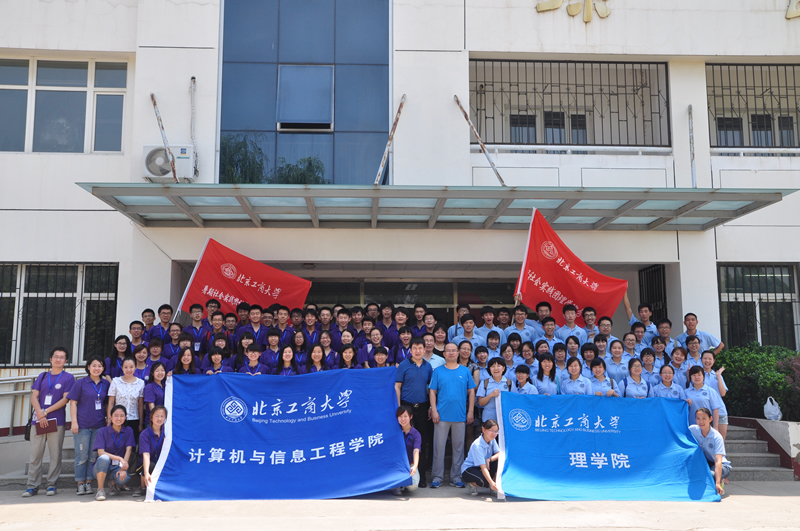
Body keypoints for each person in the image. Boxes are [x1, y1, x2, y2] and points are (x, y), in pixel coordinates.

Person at [22, 347, 76, 498]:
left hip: (56, 421)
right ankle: (32, 486)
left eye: (62, 357)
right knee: (35, 455)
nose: (58, 359)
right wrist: (40, 413)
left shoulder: (68, 378)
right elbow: (34, 396)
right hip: (38, 421)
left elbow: (65, 399)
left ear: (66, 361)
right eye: (56, 356)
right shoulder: (43, 376)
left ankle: (51, 484)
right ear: (51, 359)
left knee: (55, 454)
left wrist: (46, 412)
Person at [429, 343, 476, 489]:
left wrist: (470, 411)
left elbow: (471, 391)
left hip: (460, 415)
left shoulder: (465, 371)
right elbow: (432, 391)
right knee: (439, 447)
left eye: (453, 351)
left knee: (458, 448)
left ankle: (456, 477)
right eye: (448, 351)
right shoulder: (438, 371)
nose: (451, 353)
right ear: (444, 354)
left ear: (458, 353)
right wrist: (434, 410)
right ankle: (437, 477)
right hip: (441, 416)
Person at [68, 356, 110, 496]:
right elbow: (73, 403)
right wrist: (74, 422)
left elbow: (107, 404)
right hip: (82, 425)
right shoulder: (81, 383)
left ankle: (89, 482)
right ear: (88, 367)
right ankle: (80, 483)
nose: (97, 368)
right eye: (94, 365)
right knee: (82, 456)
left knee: (93, 456)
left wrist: (108, 419)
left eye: (100, 365)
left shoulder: (106, 383)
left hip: (99, 425)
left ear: (103, 368)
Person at [395, 337, 433, 488]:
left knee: (420, 441)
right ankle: (401, 475)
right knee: (404, 439)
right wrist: (399, 408)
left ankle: (421, 476)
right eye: (415, 348)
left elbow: (431, 389)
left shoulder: (428, 366)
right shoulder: (404, 365)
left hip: (422, 407)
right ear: (410, 350)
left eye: (420, 348)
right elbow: (397, 387)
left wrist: (431, 407)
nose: (418, 351)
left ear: (424, 349)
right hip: (406, 407)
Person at [93, 405, 135, 501]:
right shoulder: (102, 431)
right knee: (104, 458)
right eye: (116, 415)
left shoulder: (128, 430)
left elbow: (129, 450)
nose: (119, 418)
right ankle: (100, 490)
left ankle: (113, 482)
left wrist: (123, 468)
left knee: (124, 479)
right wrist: (120, 458)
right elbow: (101, 452)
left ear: (125, 417)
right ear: (110, 417)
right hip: (102, 467)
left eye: (122, 416)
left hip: (117, 466)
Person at [690, 407, 732, 495]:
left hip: (721, 465)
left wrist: (717, 483)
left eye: (704, 418)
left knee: (710, 475)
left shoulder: (717, 437)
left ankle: (720, 482)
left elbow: (718, 461)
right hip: (705, 462)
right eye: (698, 418)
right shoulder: (692, 429)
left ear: (710, 419)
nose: (701, 422)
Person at [107, 357, 145, 454]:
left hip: (134, 419)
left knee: (131, 447)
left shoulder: (140, 383)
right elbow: (111, 402)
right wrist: (109, 420)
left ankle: (129, 463)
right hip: (117, 419)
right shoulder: (115, 381)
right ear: (122, 367)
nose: (129, 370)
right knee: (116, 445)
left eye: (131, 367)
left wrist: (140, 423)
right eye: (126, 367)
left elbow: (140, 405)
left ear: (135, 367)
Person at [462, 419, 500, 497]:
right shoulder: (477, 445)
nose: (494, 434)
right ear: (483, 430)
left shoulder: (492, 440)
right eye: (491, 430)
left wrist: (489, 459)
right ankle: (472, 485)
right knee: (485, 481)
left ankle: (494, 488)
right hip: (470, 469)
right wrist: (491, 482)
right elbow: (483, 467)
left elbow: (499, 453)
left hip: (484, 465)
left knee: (499, 461)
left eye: (496, 431)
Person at [137, 406, 167, 498]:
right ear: (151, 418)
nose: (159, 419)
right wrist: (146, 472)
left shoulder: (167, 432)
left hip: (162, 462)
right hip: (149, 463)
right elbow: (146, 454)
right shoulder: (144, 434)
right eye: (157, 416)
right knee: (151, 465)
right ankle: (143, 487)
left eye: (162, 416)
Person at [393, 406, 421, 496]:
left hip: (409, 464)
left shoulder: (416, 434)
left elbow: (416, 451)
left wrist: (415, 466)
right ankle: (398, 485)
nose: (403, 419)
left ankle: (401, 484)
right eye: (400, 416)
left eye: (405, 416)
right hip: (396, 465)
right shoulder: (394, 432)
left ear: (411, 417)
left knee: (413, 486)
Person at [702, 350, 729, 440]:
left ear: (714, 361)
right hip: (704, 411)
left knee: (720, 441)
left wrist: (718, 376)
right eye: (705, 358)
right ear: (701, 360)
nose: (707, 361)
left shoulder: (718, 375)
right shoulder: (698, 375)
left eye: (710, 359)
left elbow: (723, 393)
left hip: (720, 411)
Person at [477, 358, 510, 424]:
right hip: (488, 418)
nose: (496, 368)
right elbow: (480, 403)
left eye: (498, 366)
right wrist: (491, 395)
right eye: (493, 366)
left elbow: (514, 400)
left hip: (505, 418)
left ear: (503, 368)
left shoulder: (509, 383)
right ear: (489, 369)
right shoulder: (484, 382)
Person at [143, 362, 166, 427]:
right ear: (152, 373)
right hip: (153, 422)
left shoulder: (166, 386)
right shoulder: (149, 387)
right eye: (157, 371)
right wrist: (158, 418)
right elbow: (151, 406)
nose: (160, 373)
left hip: (164, 420)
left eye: (162, 370)